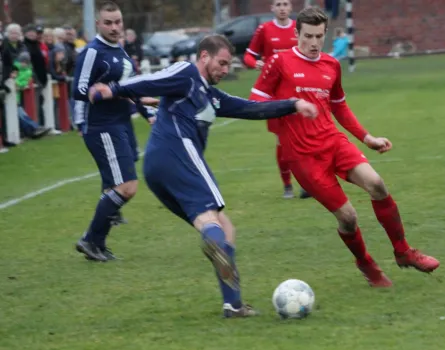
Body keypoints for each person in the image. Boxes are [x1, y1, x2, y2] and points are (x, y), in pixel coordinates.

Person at [88, 34, 318, 317]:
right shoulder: (187, 74)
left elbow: (250, 108)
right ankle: (219, 261)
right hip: (176, 151)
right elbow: (152, 79)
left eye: (227, 65)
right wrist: (112, 89)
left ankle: (232, 304)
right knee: (215, 225)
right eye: (221, 63)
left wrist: (292, 104)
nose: (224, 69)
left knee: (222, 227)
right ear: (204, 57)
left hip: (160, 168)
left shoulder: (211, 96)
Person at [250, 7, 440, 287]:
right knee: (348, 217)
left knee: (377, 184)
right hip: (302, 156)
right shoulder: (279, 62)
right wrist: (290, 106)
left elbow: (339, 106)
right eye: (308, 36)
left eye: (319, 36)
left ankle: (404, 252)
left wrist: (367, 138)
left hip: (333, 142)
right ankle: (365, 263)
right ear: (296, 34)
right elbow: (255, 102)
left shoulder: (331, 65)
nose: (314, 43)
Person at [72, 1, 155, 262]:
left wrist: (148, 114)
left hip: (121, 124)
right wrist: (101, 91)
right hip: (103, 127)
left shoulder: (121, 53)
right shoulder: (92, 52)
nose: (114, 27)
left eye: (117, 21)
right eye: (108, 22)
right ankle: (90, 239)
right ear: (98, 24)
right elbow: (79, 89)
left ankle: (96, 243)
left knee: (120, 184)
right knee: (126, 186)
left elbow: (129, 90)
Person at [243, 0, 310, 199]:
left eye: (285, 4)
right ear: (272, 8)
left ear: (291, 8)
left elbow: (307, 53)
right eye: (278, 4)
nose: (282, 8)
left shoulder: (298, 29)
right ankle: (288, 184)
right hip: (273, 91)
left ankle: (306, 183)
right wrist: (255, 63)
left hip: (296, 89)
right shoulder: (264, 29)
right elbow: (248, 56)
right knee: (282, 140)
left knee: (302, 137)